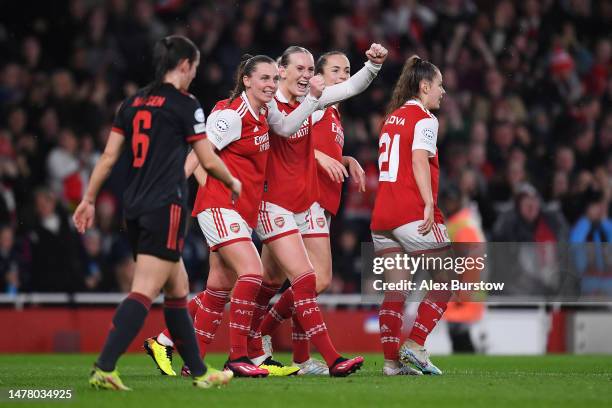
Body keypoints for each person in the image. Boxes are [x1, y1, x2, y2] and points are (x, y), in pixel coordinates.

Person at [73, 35, 238, 390]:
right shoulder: (185, 103)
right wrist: (232, 182)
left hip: (133, 207)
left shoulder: (132, 103)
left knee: (177, 290)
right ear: (184, 66)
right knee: (145, 290)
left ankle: (199, 372)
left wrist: (88, 199)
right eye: (194, 66)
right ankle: (104, 367)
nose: (195, 73)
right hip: (165, 207)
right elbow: (207, 158)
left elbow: (108, 157)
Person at [144, 53, 325, 378]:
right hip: (219, 206)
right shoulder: (231, 115)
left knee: (218, 289)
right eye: (264, 79)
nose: (271, 85)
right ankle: (239, 356)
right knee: (252, 271)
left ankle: (193, 364)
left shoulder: (265, 111)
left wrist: (311, 99)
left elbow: (286, 126)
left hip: (241, 211)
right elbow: (199, 153)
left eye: (273, 78)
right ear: (246, 80)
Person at [247, 43, 388, 377]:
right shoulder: (298, 104)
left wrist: (374, 66)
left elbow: (351, 91)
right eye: (334, 71)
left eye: (346, 71)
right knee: (307, 280)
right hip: (288, 200)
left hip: (308, 199)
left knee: (280, 280)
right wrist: (321, 158)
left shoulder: (328, 110)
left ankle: (290, 354)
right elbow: (282, 141)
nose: (342, 77)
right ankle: (262, 337)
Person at [370, 55, 449, 376]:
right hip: (410, 211)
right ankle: (416, 344)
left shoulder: (391, 119)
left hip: (382, 216)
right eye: (440, 85)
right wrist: (428, 202)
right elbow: (418, 160)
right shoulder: (425, 119)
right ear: (425, 86)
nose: (443, 91)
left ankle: (391, 363)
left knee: (395, 292)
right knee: (447, 280)